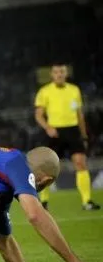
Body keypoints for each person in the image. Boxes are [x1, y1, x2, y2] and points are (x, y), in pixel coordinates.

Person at [34, 63, 100, 211]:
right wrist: (48, 127)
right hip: (54, 131)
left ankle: (86, 201)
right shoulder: (44, 91)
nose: (59, 74)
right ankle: (44, 202)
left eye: (62, 72)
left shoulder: (74, 90)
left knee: (80, 163)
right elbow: (38, 115)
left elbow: (79, 115)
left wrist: (83, 135)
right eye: (56, 72)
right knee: (47, 168)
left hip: (73, 130)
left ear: (66, 74)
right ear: (52, 74)